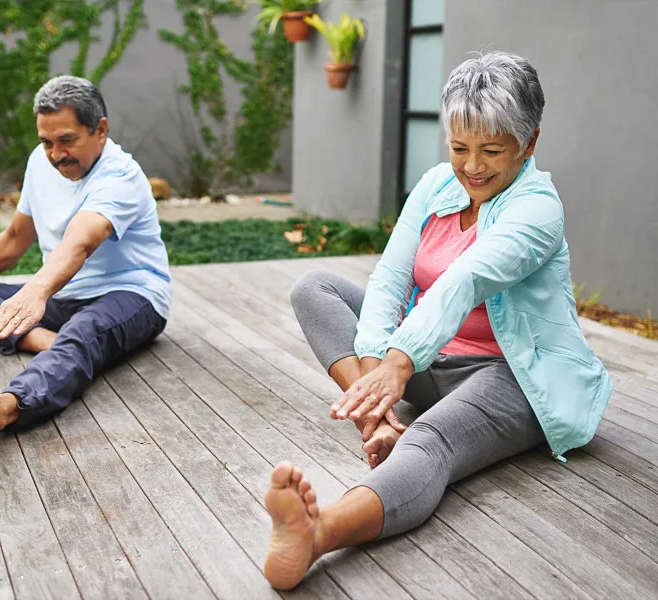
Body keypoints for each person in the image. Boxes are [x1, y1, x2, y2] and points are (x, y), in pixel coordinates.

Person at [262, 51, 613, 590]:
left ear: (530, 143)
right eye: (459, 147)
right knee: (316, 288)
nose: (472, 166)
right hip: (431, 364)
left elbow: (465, 279)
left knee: (429, 441)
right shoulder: (434, 188)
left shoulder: (538, 208)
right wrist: (379, 370)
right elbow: (391, 278)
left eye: (492, 150)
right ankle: (373, 417)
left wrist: (398, 364)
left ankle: (319, 532)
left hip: (513, 377)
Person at [0, 76, 171, 452]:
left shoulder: (120, 176)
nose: (55, 153)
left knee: (85, 330)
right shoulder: (39, 163)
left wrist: (36, 291)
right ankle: (53, 343)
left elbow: (80, 242)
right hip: (65, 294)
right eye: (46, 141)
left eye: (67, 140)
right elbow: (15, 239)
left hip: (132, 295)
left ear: (100, 129)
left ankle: (3, 409)